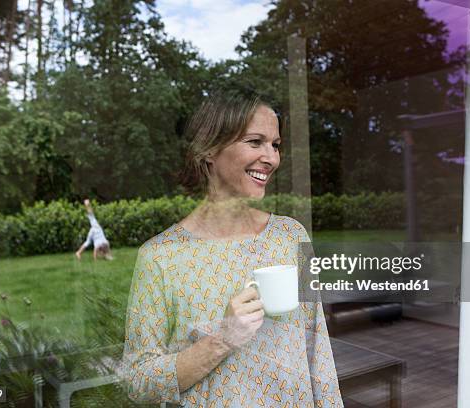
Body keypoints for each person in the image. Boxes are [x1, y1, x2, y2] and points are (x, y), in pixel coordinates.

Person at [122, 89, 343, 407]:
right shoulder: (161, 257)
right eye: (255, 142)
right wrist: (223, 338)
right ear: (209, 149)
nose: (271, 158)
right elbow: (138, 382)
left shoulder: (291, 236)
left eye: (275, 145)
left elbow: (318, 350)